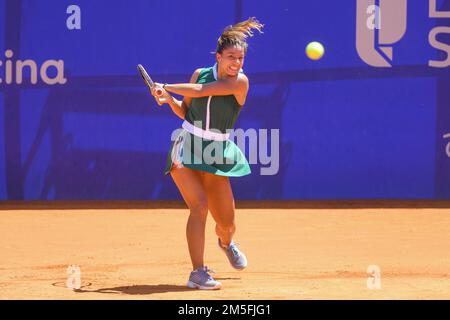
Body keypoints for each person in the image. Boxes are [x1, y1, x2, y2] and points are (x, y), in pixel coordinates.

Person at [150, 17, 264, 290]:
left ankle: (226, 243)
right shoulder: (198, 74)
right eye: (231, 57)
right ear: (218, 56)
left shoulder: (240, 83)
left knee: (227, 224)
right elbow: (186, 111)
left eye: (240, 58)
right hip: (186, 146)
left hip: (216, 153)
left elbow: (203, 91)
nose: (236, 63)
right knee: (199, 206)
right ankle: (197, 272)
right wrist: (168, 101)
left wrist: (166, 87)